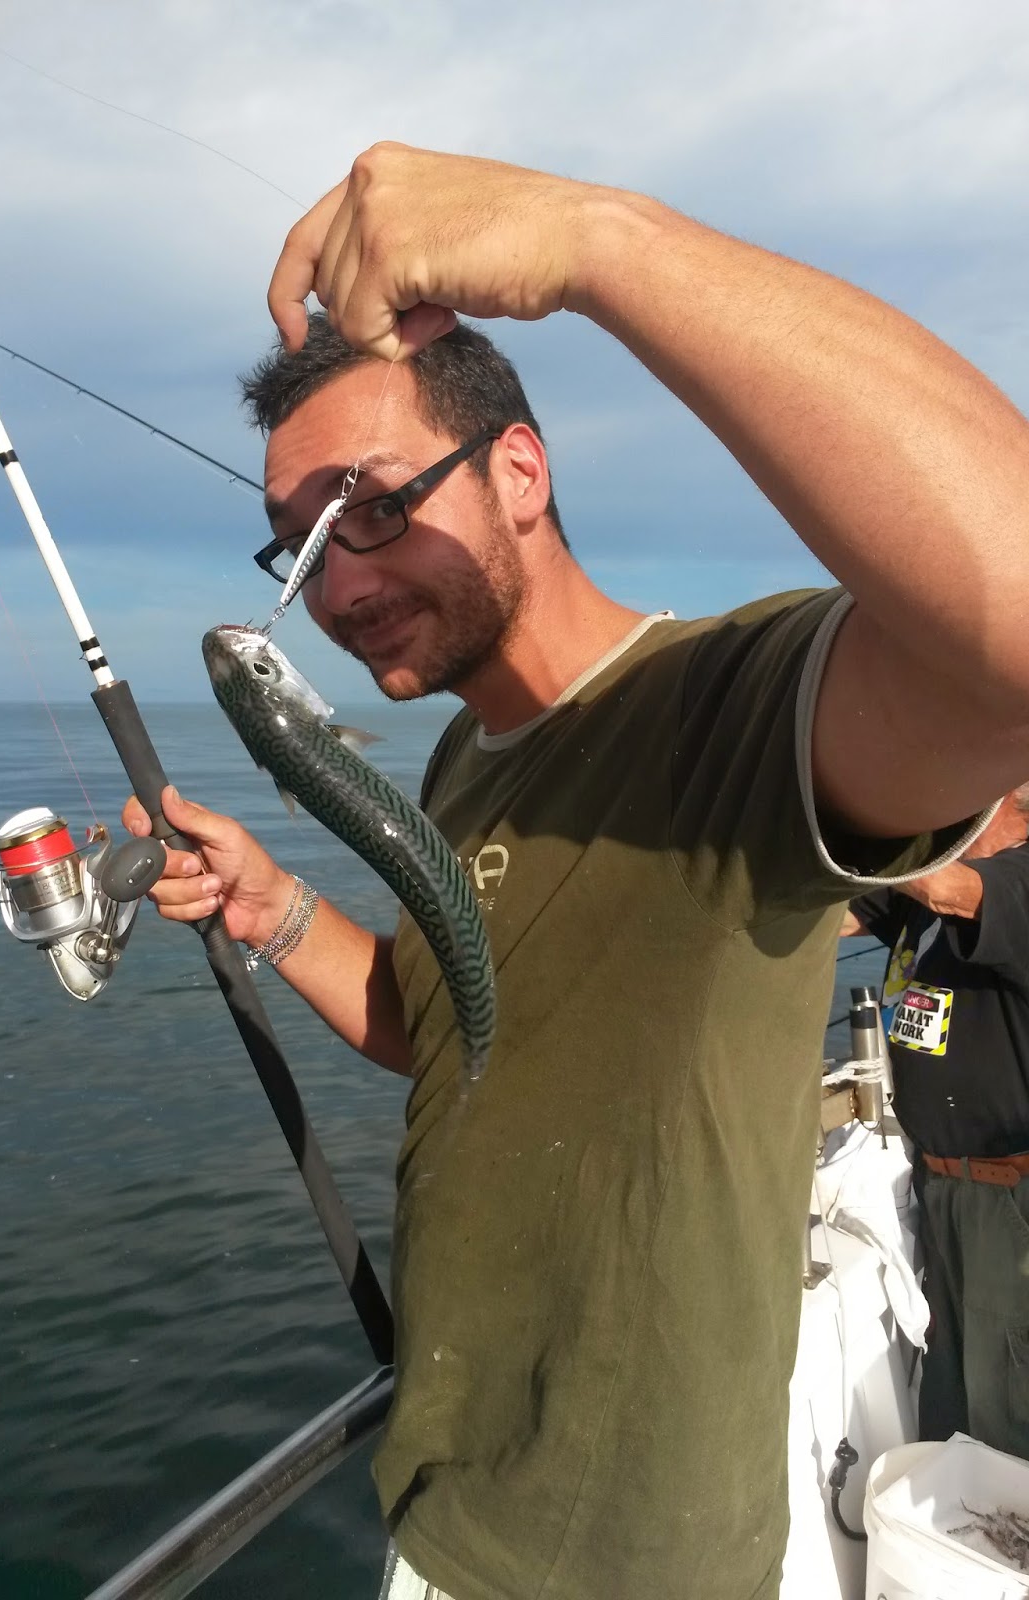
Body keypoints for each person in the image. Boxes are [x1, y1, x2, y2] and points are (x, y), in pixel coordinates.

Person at [123, 147, 1029, 1600]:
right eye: (296, 548)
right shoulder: (456, 762)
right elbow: (450, 1033)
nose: (336, 586)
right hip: (443, 1500)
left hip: (630, 1559)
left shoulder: (723, 704)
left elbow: (1012, 628)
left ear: (521, 473)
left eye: (368, 507)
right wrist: (277, 911)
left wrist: (592, 240)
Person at [842, 790, 1029, 1458]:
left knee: (1008, 1408)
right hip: (941, 1185)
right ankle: (955, 1519)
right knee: (950, 1400)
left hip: (1008, 1199)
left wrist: (880, 821)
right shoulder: (921, 892)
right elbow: (839, 917)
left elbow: (949, 890)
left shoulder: (1013, 879)